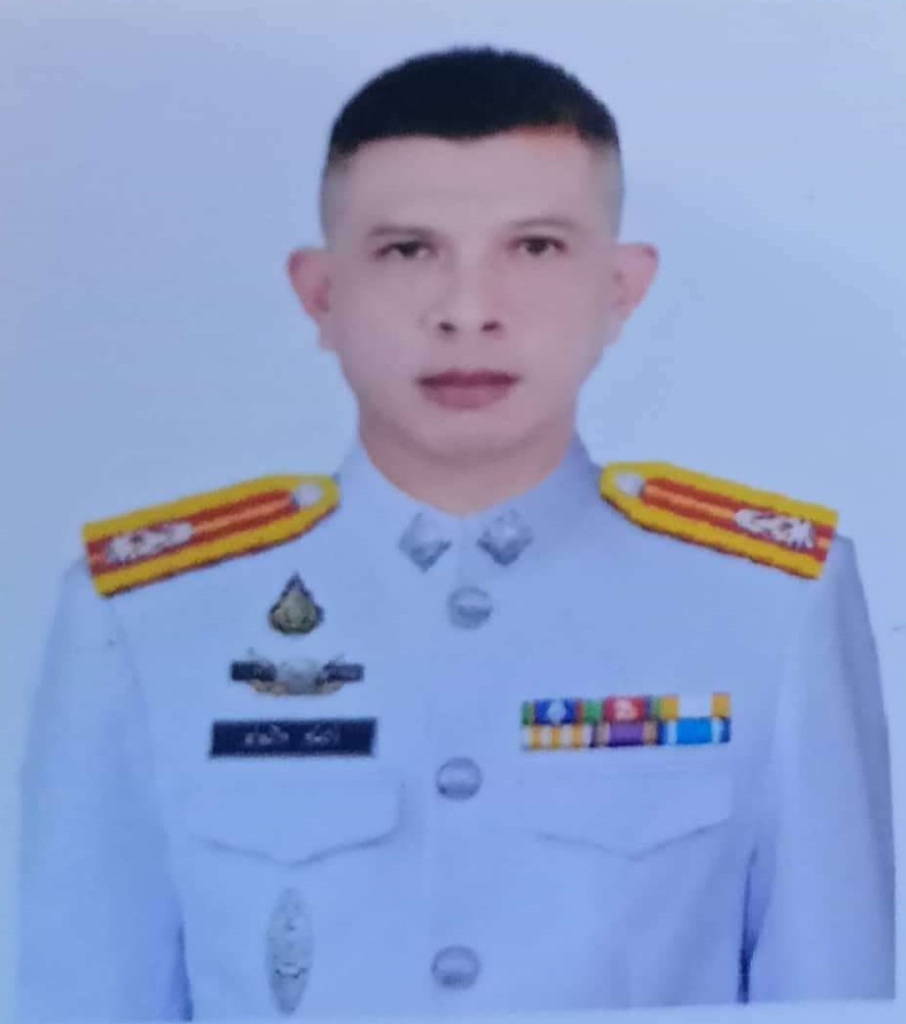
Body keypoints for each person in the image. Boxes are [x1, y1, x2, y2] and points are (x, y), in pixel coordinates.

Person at [15, 44, 895, 1022]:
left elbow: (834, 993)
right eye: (408, 250)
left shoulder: (768, 605)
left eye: (536, 248)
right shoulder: (152, 618)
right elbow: (81, 997)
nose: (468, 312)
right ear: (322, 294)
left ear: (621, 288)